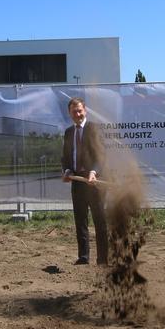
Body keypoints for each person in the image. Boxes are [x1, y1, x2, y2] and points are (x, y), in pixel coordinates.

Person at [62, 97, 109, 265]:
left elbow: (101, 155)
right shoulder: (68, 132)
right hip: (78, 183)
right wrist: (67, 171)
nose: (77, 114)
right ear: (70, 113)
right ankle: (83, 257)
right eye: (74, 111)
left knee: (99, 220)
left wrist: (94, 172)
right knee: (80, 221)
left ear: (85, 111)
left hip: (94, 183)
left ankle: (103, 259)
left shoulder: (95, 129)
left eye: (80, 110)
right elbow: (66, 157)